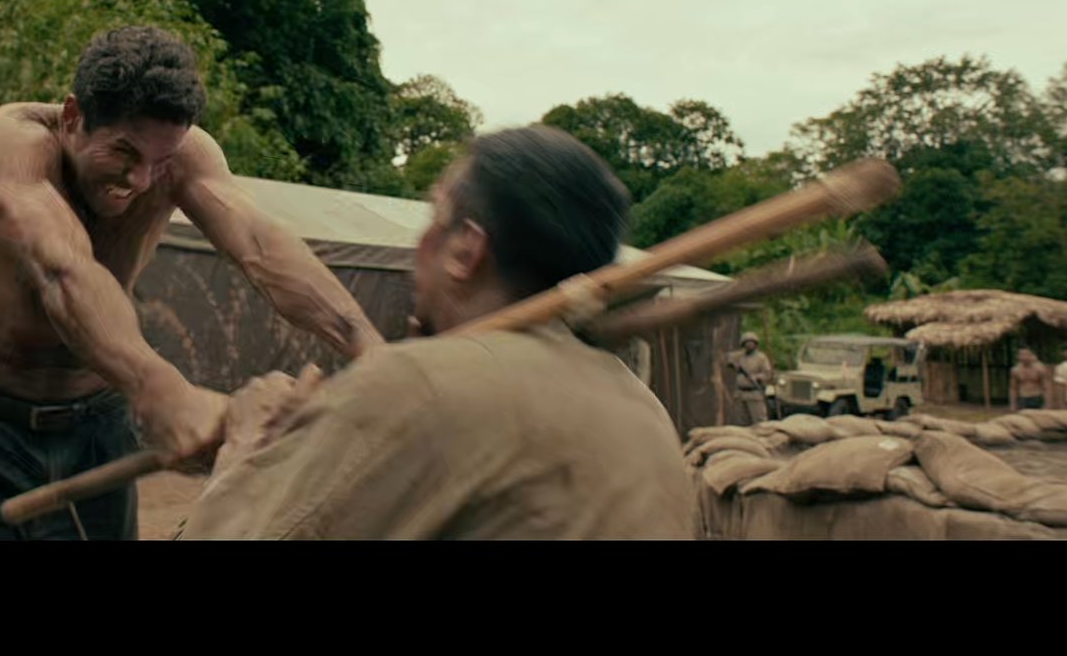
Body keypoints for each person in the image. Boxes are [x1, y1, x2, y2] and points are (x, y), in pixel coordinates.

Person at [0, 25, 385, 540]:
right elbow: (63, 270)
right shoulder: (3, 147)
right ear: (73, 117)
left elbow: (258, 244)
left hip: (97, 430)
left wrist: (374, 352)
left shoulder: (184, 155)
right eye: (124, 153)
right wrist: (160, 388)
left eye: (159, 163)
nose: (139, 180)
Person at [177, 125, 695, 540]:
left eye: (435, 214)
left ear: (465, 249)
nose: (420, 242)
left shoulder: (421, 384)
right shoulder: (646, 413)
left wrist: (246, 452)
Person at [726, 332, 775, 425]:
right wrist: (733, 364)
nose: (749, 344)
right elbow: (727, 357)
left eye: (751, 342)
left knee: (759, 421)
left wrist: (757, 377)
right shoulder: (740, 356)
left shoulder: (761, 358)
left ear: (755, 344)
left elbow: (768, 374)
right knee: (740, 421)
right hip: (740, 394)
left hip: (754, 393)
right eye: (746, 342)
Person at [1009, 347, 1051, 411]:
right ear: (1018, 356)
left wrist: (1048, 403)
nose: (1024, 357)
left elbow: (1046, 387)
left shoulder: (1040, 369)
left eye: (1026, 354)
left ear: (1031, 355)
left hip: (1036, 397)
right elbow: (1013, 388)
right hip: (1023, 397)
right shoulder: (1015, 370)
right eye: (1021, 354)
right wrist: (1013, 404)